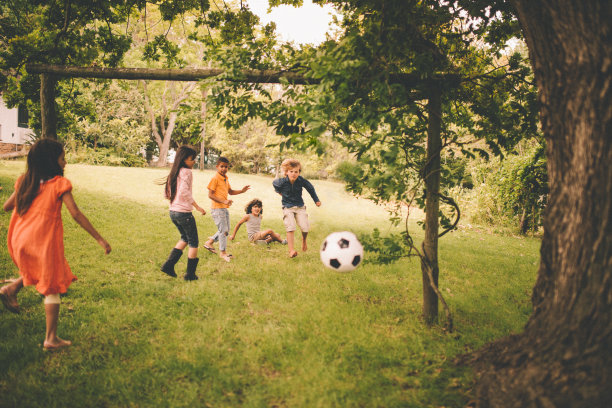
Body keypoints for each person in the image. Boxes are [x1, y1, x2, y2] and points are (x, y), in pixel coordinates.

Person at [0, 139, 111, 350]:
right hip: (42, 242)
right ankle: (51, 338)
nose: (65, 162)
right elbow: (76, 213)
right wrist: (99, 238)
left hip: (21, 239)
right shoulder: (59, 185)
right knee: (52, 286)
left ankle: (11, 289)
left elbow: (7, 206)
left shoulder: (25, 181)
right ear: (52, 162)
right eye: (62, 158)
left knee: (40, 271)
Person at [160, 145, 207, 281]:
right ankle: (190, 275)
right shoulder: (187, 172)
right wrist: (197, 207)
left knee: (185, 238)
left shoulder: (174, 171)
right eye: (192, 159)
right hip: (184, 213)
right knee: (194, 242)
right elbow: (184, 192)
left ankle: (168, 265)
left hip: (173, 212)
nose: (194, 162)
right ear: (185, 159)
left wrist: (174, 201)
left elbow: (167, 192)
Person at [202, 157, 250, 262]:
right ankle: (223, 253)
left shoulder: (226, 178)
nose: (224, 168)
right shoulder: (215, 178)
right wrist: (223, 201)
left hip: (223, 208)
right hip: (217, 208)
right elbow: (210, 195)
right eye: (222, 166)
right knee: (223, 231)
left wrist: (242, 191)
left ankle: (209, 242)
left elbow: (231, 191)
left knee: (226, 230)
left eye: (226, 167)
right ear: (217, 167)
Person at [272, 158, 321, 258]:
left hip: (300, 206)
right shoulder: (281, 182)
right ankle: (291, 251)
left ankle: (304, 240)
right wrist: (280, 192)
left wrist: (316, 200)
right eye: (291, 171)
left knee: (305, 227)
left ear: (299, 172)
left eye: (296, 172)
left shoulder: (300, 180)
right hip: (287, 207)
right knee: (290, 227)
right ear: (286, 172)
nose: (294, 174)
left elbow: (310, 188)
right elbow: (275, 184)